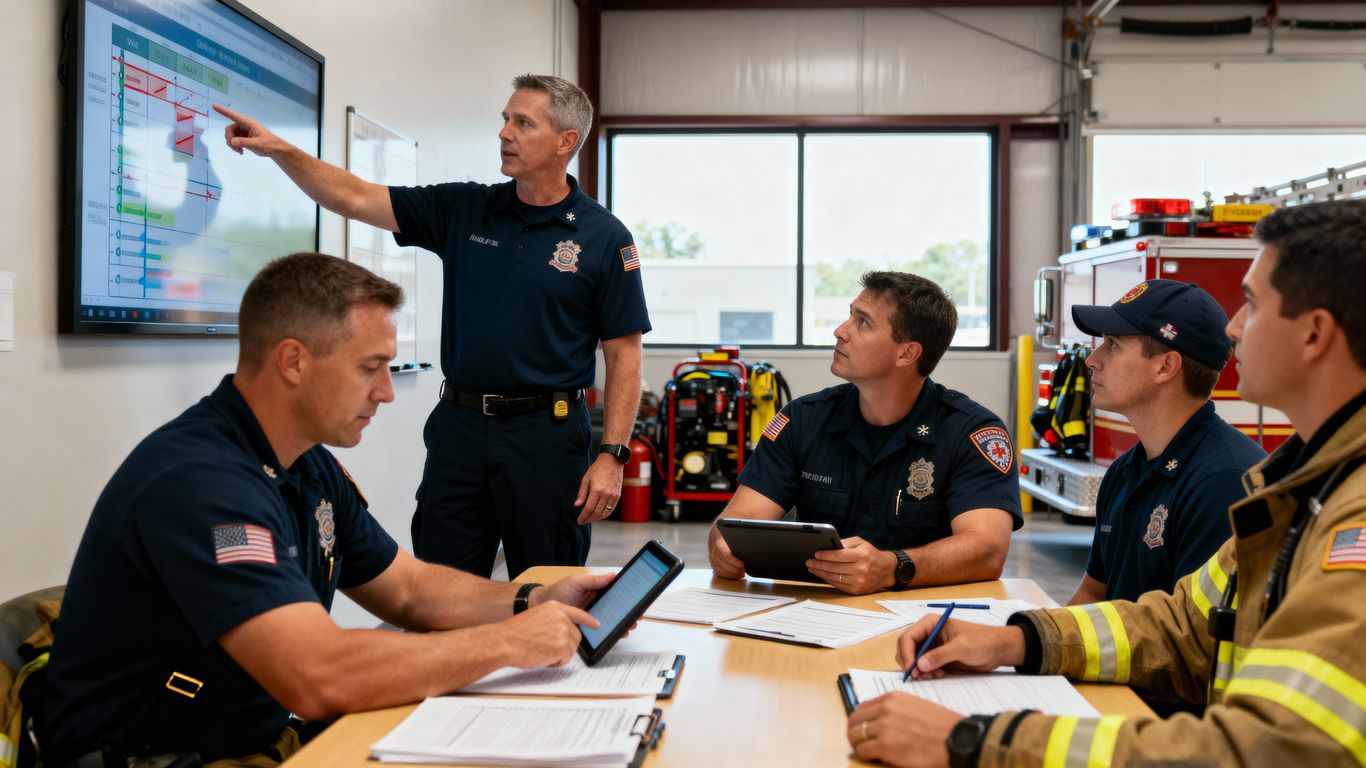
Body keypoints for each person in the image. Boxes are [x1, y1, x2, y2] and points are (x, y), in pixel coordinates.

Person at [847, 198, 1366, 768]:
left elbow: (1268, 751)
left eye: (1251, 304)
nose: (1234, 328)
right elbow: (1179, 626)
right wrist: (1016, 640)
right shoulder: (1301, 486)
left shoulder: (1347, 514)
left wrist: (976, 741)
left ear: (1315, 334)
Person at [39, 254, 615, 766]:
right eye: (370, 367)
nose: (387, 392)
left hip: (245, 740)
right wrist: (509, 642)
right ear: (293, 361)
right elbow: (317, 676)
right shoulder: (202, 485)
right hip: (153, 756)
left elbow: (409, 589)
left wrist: (532, 600)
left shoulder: (305, 463)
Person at [212, 74, 650, 580]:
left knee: (547, 588)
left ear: (565, 142)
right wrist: (280, 149)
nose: (504, 133)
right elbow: (354, 197)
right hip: (460, 431)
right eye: (505, 120)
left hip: (547, 439)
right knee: (442, 583)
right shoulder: (464, 209)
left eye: (522, 123)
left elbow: (624, 354)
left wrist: (613, 454)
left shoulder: (604, 237)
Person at [708, 272, 1022, 595]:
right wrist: (723, 547)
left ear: (907, 354)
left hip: (926, 627)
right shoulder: (803, 421)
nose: (840, 331)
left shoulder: (972, 433)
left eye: (863, 323)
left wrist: (892, 568)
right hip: (815, 619)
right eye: (850, 316)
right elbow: (739, 520)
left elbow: (987, 551)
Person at [1066, 280, 1264, 605]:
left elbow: (1190, 635)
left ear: (1165, 367)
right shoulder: (1123, 473)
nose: (1092, 359)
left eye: (1113, 344)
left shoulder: (1225, 482)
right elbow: (1093, 592)